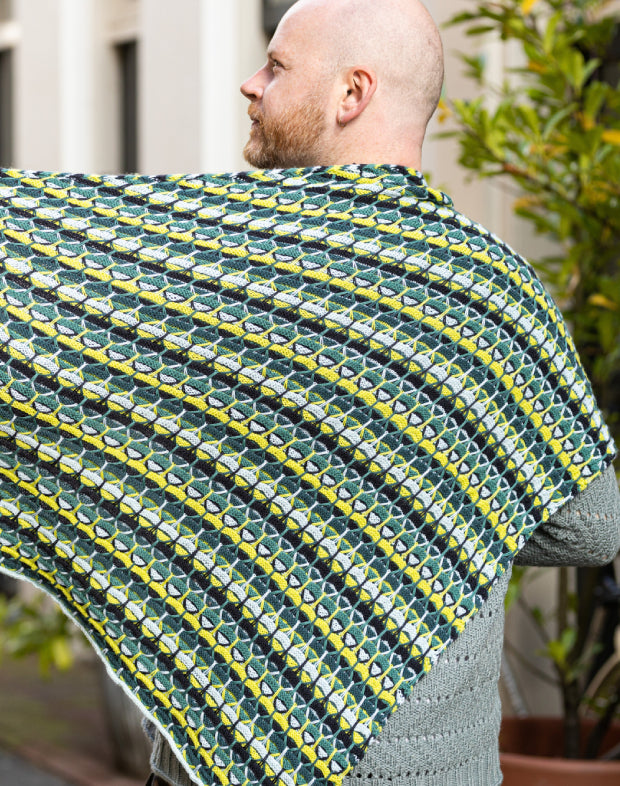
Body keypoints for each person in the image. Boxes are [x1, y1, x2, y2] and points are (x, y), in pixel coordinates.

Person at [142, 1, 620, 784]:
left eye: (276, 67)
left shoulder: (216, 271)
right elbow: (591, 527)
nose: (249, 84)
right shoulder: (492, 293)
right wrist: (435, 517)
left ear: (351, 93)